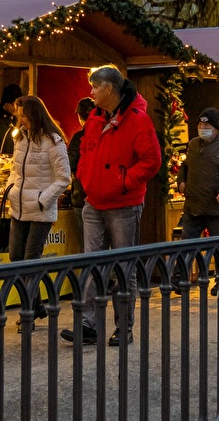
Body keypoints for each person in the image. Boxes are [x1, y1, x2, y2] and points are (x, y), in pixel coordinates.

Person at [61, 65, 162, 347]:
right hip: (93, 202)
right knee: (91, 264)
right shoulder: (94, 118)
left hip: (123, 204)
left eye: (95, 87)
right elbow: (84, 152)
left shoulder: (138, 120)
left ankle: (123, 327)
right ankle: (88, 324)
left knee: (123, 268)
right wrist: (85, 176)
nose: (90, 92)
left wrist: (123, 181)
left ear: (108, 89)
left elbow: (151, 161)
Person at [4, 96, 72, 327]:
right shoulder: (20, 139)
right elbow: (15, 171)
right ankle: (36, 305)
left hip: (40, 210)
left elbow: (64, 178)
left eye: (23, 114)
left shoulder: (52, 142)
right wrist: (10, 189)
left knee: (30, 259)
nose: (19, 119)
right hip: (19, 208)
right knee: (16, 258)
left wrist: (44, 199)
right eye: (18, 114)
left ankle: (27, 314)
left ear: (34, 114)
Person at [177, 107, 219, 240]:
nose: (202, 128)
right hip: (192, 209)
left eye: (206, 125)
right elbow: (185, 165)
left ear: (216, 128)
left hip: (215, 210)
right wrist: (181, 182)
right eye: (200, 125)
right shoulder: (193, 144)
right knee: (186, 251)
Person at [61, 97, 95, 254]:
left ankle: (89, 278)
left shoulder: (78, 138)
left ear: (80, 117)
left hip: (82, 198)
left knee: (87, 246)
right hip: (102, 197)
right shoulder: (107, 133)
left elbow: (69, 165)